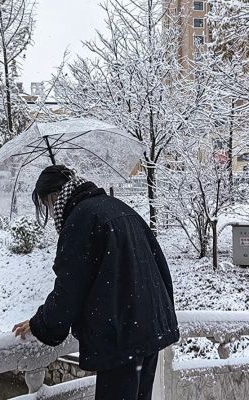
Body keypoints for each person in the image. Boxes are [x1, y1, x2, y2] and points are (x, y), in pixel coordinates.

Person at [13, 165, 179, 400]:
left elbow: (69, 290)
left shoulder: (81, 220)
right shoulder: (118, 207)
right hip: (149, 328)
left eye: (47, 205)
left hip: (121, 335)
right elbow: (156, 266)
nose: (49, 213)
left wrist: (40, 324)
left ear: (53, 197)